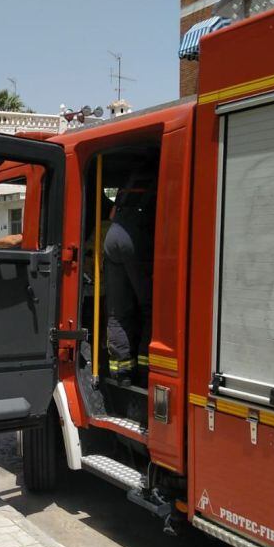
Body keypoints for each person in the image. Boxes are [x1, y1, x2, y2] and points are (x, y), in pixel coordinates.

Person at [103, 163, 157, 386]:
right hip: (135, 237)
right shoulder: (160, 175)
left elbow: (112, 212)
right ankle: (146, 372)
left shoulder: (133, 178)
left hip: (113, 234)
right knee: (150, 307)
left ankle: (121, 372)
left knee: (117, 311)